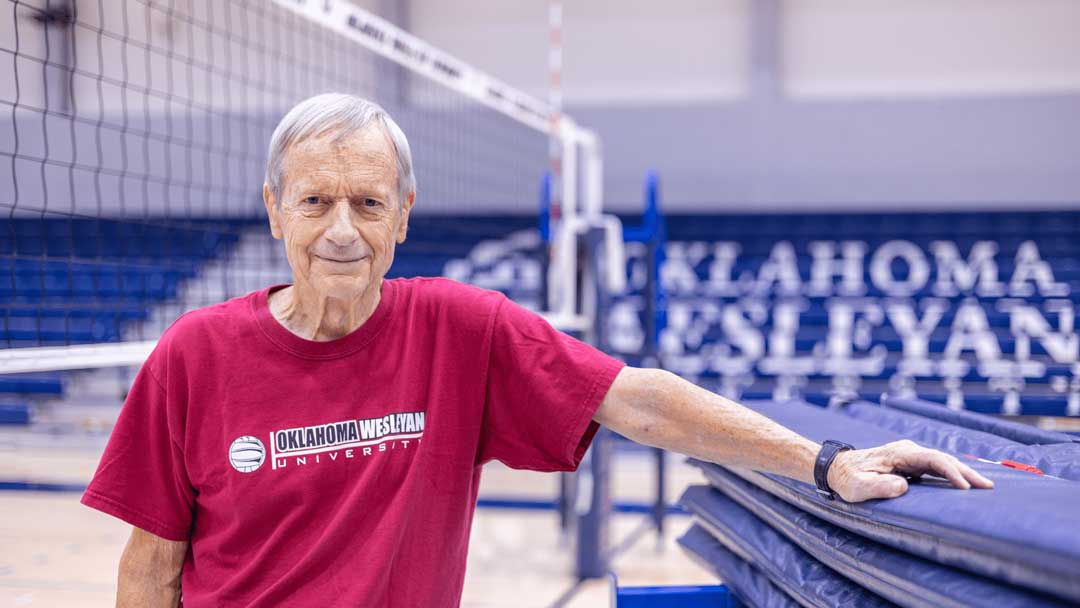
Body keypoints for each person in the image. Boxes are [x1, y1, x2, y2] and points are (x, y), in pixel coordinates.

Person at [82, 93, 993, 607]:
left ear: (405, 215)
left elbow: (637, 399)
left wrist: (825, 461)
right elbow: (151, 568)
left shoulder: (458, 329)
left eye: (368, 202)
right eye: (315, 201)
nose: (341, 230)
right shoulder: (194, 354)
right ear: (274, 210)